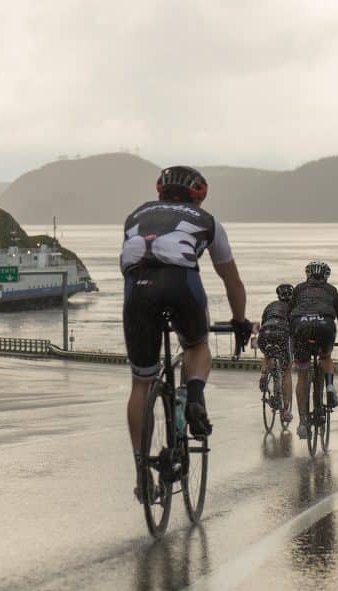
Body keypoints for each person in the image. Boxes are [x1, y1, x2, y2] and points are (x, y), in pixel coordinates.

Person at [121, 165, 250, 501]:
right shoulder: (207, 221)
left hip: (138, 289)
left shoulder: (136, 215)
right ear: (199, 195)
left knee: (141, 382)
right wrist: (239, 320)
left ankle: (140, 473)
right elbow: (231, 280)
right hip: (181, 283)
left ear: (160, 191)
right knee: (196, 344)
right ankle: (192, 396)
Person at [288, 260, 338, 439]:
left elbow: (289, 313)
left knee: (302, 374)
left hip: (300, 326)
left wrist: (291, 336)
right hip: (325, 326)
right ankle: (330, 386)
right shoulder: (331, 290)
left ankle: (302, 422)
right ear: (326, 276)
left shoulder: (299, 289)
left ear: (308, 275)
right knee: (325, 357)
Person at [257, 283, 294, 422]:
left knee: (268, 352)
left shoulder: (270, 305)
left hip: (265, 332)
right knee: (286, 371)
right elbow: (296, 329)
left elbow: (263, 322)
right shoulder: (294, 307)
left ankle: (264, 374)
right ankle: (285, 411)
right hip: (283, 333)